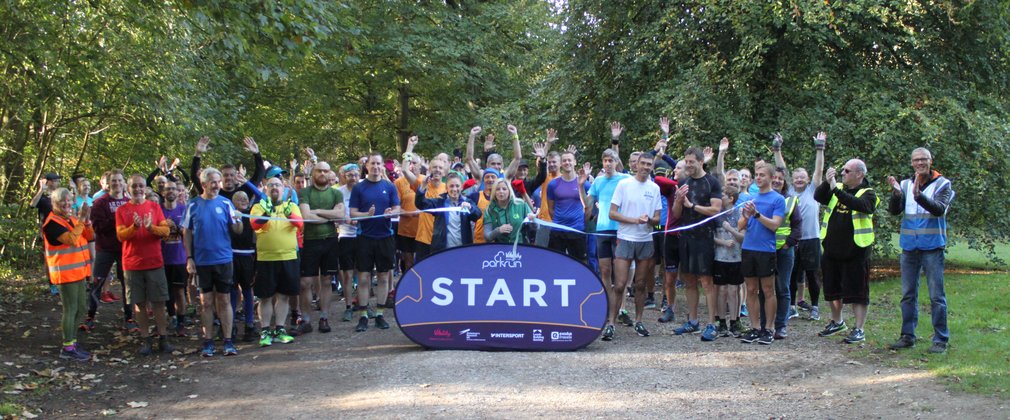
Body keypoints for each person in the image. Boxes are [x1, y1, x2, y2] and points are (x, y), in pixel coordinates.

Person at [887, 147, 954, 354]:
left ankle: (940, 339)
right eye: (916, 160)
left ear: (931, 161)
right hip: (909, 247)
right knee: (908, 295)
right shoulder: (905, 184)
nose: (919, 163)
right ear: (911, 163)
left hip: (932, 246)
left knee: (936, 296)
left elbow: (939, 209)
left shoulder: (944, 184)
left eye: (923, 159)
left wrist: (919, 196)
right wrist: (897, 194)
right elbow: (894, 211)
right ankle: (907, 336)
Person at [815, 159, 879, 344]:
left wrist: (835, 189)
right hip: (832, 250)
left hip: (856, 251)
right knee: (832, 289)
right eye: (842, 170)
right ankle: (837, 322)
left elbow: (859, 205)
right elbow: (819, 196)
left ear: (859, 174)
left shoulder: (868, 193)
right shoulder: (837, 188)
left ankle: (859, 329)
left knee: (858, 292)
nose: (843, 173)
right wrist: (828, 182)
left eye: (847, 170)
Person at [600, 153, 662, 341]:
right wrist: (634, 220)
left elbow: (658, 219)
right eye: (642, 163)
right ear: (636, 166)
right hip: (625, 238)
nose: (645, 167)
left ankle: (639, 320)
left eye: (648, 164)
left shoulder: (654, 188)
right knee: (619, 285)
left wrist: (650, 220)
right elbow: (612, 213)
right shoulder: (624, 184)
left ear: (652, 167)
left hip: (645, 240)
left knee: (641, 284)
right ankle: (611, 323)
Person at [183, 167, 244, 357]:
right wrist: (189, 258)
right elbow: (187, 232)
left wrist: (239, 220)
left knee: (224, 299)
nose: (217, 185)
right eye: (213, 182)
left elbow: (238, 230)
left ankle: (227, 341)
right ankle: (208, 341)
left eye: (218, 182)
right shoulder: (193, 205)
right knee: (206, 302)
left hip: (224, 259)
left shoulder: (226, 203)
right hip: (202, 261)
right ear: (203, 184)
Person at [115, 175, 176, 355]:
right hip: (132, 263)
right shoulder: (122, 210)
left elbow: (165, 231)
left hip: (154, 262)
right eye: (134, 186)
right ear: (128, 188)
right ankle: (145, 339)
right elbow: (120, 236)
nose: (138, 189)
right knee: (139, 303)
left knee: (159, 302)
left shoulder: (154, 207)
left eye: (141, 186)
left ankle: (163, 338)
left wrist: (151, 228)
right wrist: (134, 227)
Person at [774, 131, 827, 322]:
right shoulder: (788, 192)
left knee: (813, 275)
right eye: (796, 177)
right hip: (793, 239)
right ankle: (792, 307)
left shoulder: (813, 190)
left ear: (807, 179)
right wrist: (777, 149)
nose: (799, 180)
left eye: (802, 177)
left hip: (811, 238)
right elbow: (781, 169)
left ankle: (814, 307)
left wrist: (820, 148)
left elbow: (818, 171)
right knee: (792, 274)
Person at [672, 147, 723, 338]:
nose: (688, 165)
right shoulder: (683, 182)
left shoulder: (712, 182)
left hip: (705, 237)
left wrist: (692, 205)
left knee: (707, 281)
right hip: (686, 237)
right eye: (686, 161)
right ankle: (692, 321)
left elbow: (716, 209)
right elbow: (677, 214)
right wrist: (678, 200)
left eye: (691, 161)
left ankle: (712, 324)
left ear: (701, 162)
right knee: (689, 280)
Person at [349, 152, 401, 332]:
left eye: (379, 164)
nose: (376, 167)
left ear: (382, 166)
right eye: (373, 164)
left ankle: (379, 314)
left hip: (385, 237)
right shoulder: (359, 188)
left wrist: (391, 212)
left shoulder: (389, 186)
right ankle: (363, 316)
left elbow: (397, 208)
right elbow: (352, 213)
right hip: (365, 238)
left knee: (383, 277)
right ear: (367, 166)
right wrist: (367, 215)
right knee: (363, 278)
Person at [250, 177, 304, 346]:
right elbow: (255, 224)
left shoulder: (291, 206)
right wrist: (267, 212)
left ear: (284, 189)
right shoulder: (258, 207)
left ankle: (280, 328)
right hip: (266, 258)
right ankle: (265, 331)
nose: (274, 187)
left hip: (288, 257)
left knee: (284, 296)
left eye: (278, 185)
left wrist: (288, 213)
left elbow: (300, 224)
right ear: (266, 189)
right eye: (271, 185)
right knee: (265, 297)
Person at [736, 164, 785, 345]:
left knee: (768, 290)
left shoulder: (778, 200)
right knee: (750, 289)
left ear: (771, 178)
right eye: (756, 175)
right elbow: (740, 225)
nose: (758, 178)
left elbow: (774, 225)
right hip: (749, 248)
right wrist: (747, 215)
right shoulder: (751, 198)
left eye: (762, 175)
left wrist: (756, 215)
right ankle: (755, 327)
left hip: (766, 250)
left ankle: (769, 328)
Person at [43, 188, 94, 361]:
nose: (66, 204)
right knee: (71, 309)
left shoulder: (71, 219)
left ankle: (72, 342)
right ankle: (67, 347)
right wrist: (80, 220)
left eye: (68, 200)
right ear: (54, 204)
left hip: (78, 272)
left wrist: (85, 221)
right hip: (65, 274)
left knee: (81, 309)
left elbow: (88, 236)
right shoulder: (52, 223)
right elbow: (71, 240)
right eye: (61, 201)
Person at [297, 161, 345, 334]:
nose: (323, 174)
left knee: (326, 281)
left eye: (326, 171)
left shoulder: (336, 194)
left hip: (330, 241)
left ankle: (324, 318)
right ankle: (306, 320)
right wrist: (328, 215)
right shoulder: (305, 192)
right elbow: (306, 217)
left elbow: (340, 214)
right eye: (319, 171)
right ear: (314, 173)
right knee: (305, 283)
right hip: (310, 241)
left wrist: (316, 211)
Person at [585, 148, 631, 321]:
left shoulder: (626, 179)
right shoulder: (598, 181)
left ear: (617, 161)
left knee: (620, 278)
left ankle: (619, 311)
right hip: (602, 230)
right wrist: (581, 186)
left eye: (611, 160)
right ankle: (607, 308)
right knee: (605, 271)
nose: (608, 163)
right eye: (605, 160)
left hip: (621, 230)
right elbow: (588, 203)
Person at [89, 170, 135, 330]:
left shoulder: (129, 201)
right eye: (113, 181)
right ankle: (90, 316)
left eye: (119, 180)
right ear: (108, 183)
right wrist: (118, 218)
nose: (117, 183)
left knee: (127, 283)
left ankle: (129, 317)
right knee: (97, 282)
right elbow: (98, 226)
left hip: (125, 249)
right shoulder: (100, 202)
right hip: (105, 248)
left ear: (124, 183)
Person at [770, 164, 802, 340]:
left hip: (784, 251)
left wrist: (788, 244)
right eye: (774, 177)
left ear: (784, 182)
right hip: (765, 250)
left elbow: (797, 226)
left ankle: (780, 326)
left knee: (783, 288)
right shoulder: (760, 198)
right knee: (765, 289)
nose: (776, 181)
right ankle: (764, 324)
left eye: (780, 179)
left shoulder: (790, 200)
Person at [416, 172, 483, 251]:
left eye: (457, 186)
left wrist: (470, 207)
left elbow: (477, 214)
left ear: (461, 187)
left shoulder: (467, 201)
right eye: (451, 186)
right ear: (446, 188)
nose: (454, 189)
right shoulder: (440, 203)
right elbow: (421, 204)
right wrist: (423, 187)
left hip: (463, 249)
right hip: (442, 250)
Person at [713, 180, 745, 338]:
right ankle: (721, 322)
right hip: (720, 258)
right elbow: (711, 237)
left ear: (731, 198)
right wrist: (723, 242)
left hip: (736, 258)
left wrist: (730, 229)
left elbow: (742, 238)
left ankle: (734, 321)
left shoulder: (740, 215)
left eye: (723, 195)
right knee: (722, 290)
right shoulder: (716, 215)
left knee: (733, 290)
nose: (720, 197)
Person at [546, 147, 590, 261]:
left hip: (577, 230)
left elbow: (588, 207)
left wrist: (580, 222)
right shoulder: (553, 184)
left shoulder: (585, 184)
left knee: (580, 264)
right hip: (558, 230)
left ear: (575, 162)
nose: (567, 163)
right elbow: (550, 209)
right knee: (555, 262)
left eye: (569, 160)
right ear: (560, 163)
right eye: (564, 160)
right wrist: (559, 221)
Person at [189, 136, 265, 201]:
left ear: (236, 176)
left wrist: (257, 154)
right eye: (225, 175)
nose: (229, 177)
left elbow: (260, 174)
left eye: (231, 175)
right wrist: (197, 154)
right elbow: (194, 177)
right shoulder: (213, 192)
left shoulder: (244, 191)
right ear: (220, 178)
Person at [159, 181, 189, 336]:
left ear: (179, 192)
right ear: (163, 192)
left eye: (174, 189)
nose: (171, 191)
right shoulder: (158, 210)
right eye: (168, 189)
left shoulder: (183, 209)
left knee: (179, 291)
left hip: (179, 258)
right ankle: (172, 317)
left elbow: (189, 233)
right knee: (166, 292)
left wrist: (176, 228)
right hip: (162, 258)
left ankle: (182, 322)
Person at [228, 191, 257, 341]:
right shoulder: (230, 214)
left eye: (245, 198)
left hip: (248, 256)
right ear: (233, 202)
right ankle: (230, 325)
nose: (243, 201)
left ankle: (250, 324)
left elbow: (259, 195)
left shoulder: (252, 214)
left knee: (248, 290)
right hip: (232, 255)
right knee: (232, 290)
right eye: (239, 199)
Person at [336, 164, 361, 322]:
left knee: (363, 272)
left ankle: (362, 303)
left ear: (359, 175)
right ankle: (348, 306)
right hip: (345, 235)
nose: (353, 178)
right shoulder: (339, 192)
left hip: (362, 235)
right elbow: (336, 213)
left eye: (355, 175)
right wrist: (347, 220)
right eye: (349, 175)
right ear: (344, 176)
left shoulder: (364, 190)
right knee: (347, 274)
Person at [33, 173, 63, 295]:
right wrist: (41, 189)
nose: (57, 183)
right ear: (49, 182)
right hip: (47, 231)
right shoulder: (43, 197)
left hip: (61, 230)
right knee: (49, 258)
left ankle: (61, 281)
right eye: (55, 181)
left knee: (61, 257)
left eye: (58, 180)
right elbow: (33, 204)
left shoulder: (60, 195)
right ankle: (52, 283)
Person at [484, 179, 535, 244]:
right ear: (494, 192)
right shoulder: (489, 210)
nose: (501, 191)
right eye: (497, 189)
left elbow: (535, 228)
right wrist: (498, 230)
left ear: (509, 191)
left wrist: (533, 220)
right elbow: (487, 237)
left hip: (521, 246)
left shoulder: (521, 204)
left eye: (504, 189)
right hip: (500, 249)